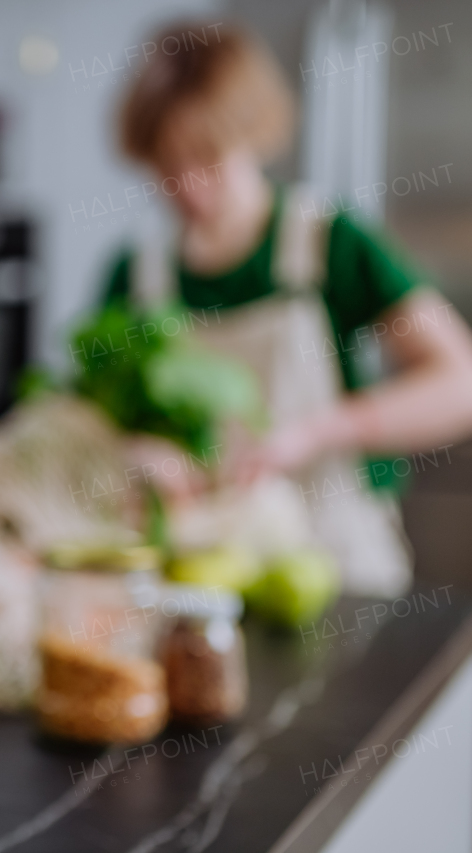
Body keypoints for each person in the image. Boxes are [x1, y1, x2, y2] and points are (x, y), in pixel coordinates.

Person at [102, 22, 472, 595]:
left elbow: (458, 383)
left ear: (252, 135)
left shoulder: (330, 244)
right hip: (197, 581)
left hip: (340, 568)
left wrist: (324, 429)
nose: (188, 188)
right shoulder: (138, 275)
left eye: (206, 157)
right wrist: (135, 453)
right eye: (166, 166)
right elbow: (88, 421)